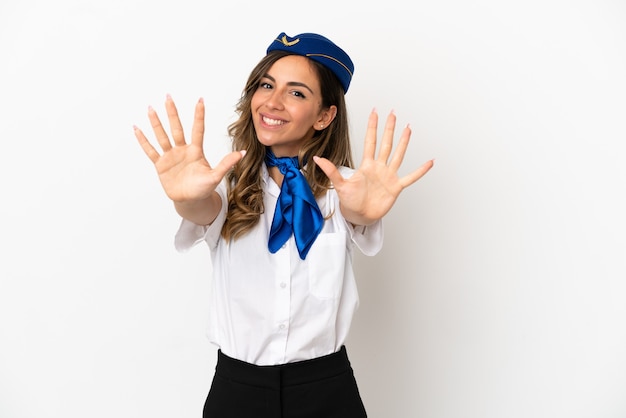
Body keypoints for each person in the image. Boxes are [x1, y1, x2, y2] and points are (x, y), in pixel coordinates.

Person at [133, 31, 433, 418]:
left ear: (324, 115)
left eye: (296, 93)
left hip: (327, 391)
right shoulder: (223, 183)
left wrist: (363, 211)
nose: (272, 102)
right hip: (237, 393)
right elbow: (200, 208)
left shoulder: (348, 189)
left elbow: (357, 214)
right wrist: (185, 196)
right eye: (266, 85)